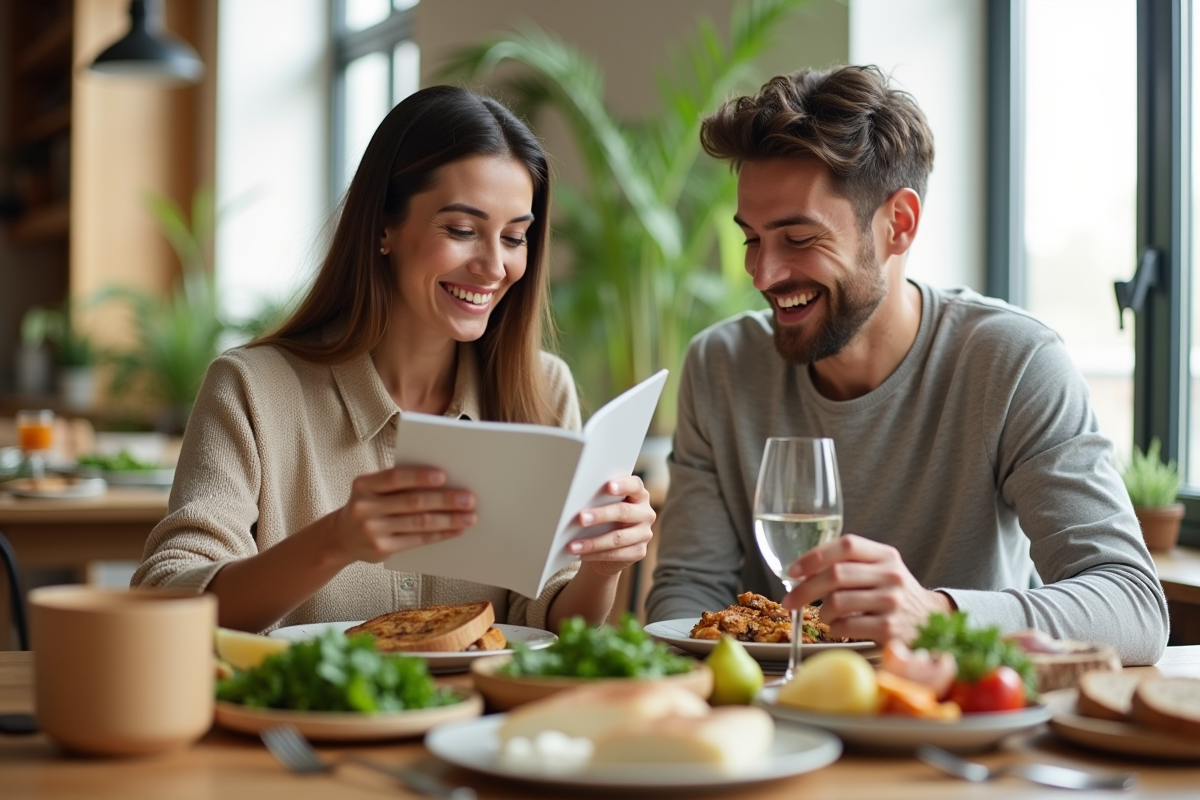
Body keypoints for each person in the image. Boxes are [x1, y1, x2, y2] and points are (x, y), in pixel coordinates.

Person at [644, 66, 1169, 664]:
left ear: (899, 224)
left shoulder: (1014, 362)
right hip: (780, 725)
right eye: (752, 240)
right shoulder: (722, 365)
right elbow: (684, 601)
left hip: (957, 725)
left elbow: (1133, 607)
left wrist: (937, 614)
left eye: (798, 239)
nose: (763, 275)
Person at [132, 86, 655, 634]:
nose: (494, 266)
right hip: (305, 719)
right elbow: (165, 601)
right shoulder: (252, 389)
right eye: (460, 230)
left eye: (515, 237)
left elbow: (548, 620)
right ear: (384, 226)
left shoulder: (544, 389)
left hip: (481, 719)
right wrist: (334, 541)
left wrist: (599, 571)